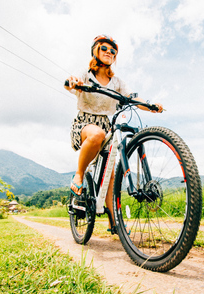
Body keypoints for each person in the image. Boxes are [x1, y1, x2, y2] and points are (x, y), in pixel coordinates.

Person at [64, 34, 163, 233]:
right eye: (104, 49)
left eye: (113, 51)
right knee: (97, 135)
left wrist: (150, 106)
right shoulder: (86, 73)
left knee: (109, 177)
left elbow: (131, 97)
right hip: (85, 123)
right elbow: (70, 82)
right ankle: (79, 174)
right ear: (95, 51)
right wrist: (72, 82)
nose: (109, 53)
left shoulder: (116, 81)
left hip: (107, 126)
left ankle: (114, 222)